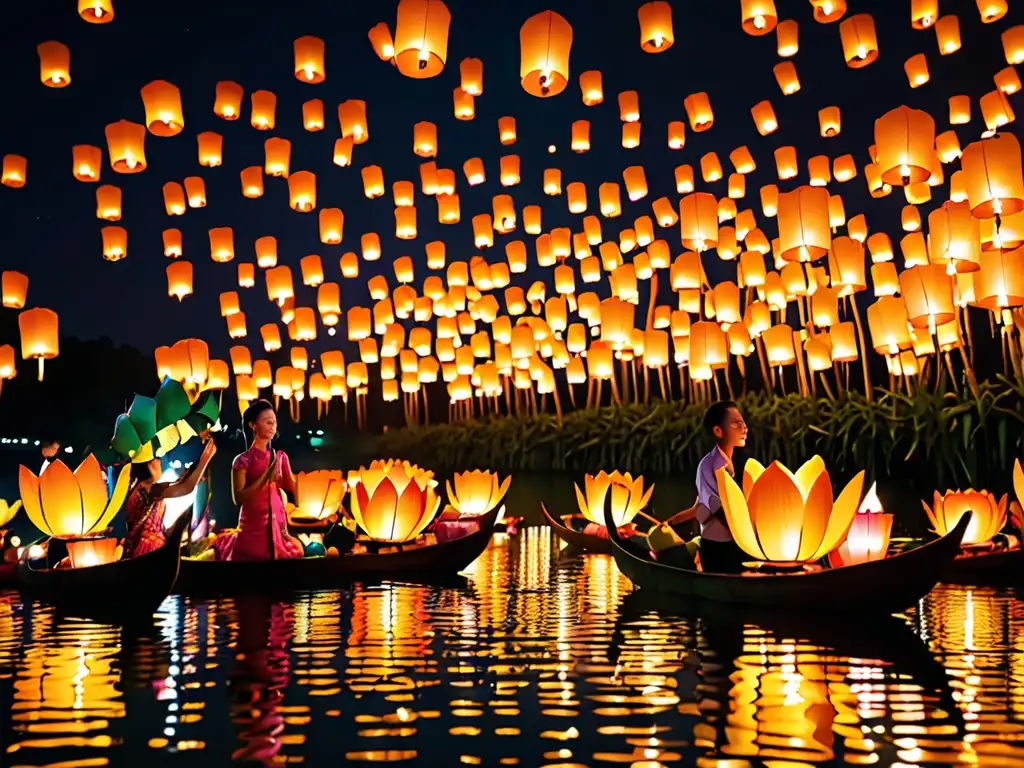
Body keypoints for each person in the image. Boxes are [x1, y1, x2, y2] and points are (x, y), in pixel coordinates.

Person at [665, 400, 749, 574]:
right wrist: (743, 535)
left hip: (731, 543)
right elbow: (714, 506)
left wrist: (673, 521)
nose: (744, 428)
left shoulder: (727, 464)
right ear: (718, 431)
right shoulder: (709, 465)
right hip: (719, 547)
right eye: (736, 424)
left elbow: (699, 508)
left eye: (743, 423)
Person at [214, 400, 303, 561]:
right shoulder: (242, 460)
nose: (272, 426)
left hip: (277, 523)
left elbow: (295, 491)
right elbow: (238, 497)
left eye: (274, 422)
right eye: (268, 421)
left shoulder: (280, 457)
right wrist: (266, 477)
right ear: (253, 425)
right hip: (252, 525)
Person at [123, 437, 217, 558]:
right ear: (149, 464)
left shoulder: (145, 488)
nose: (160, 463)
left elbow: (185, 484)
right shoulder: (147, 490)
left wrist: (202, 461)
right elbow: (186, 487)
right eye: (157, 459)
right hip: (146, 553)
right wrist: (205, 460)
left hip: (145, 551)